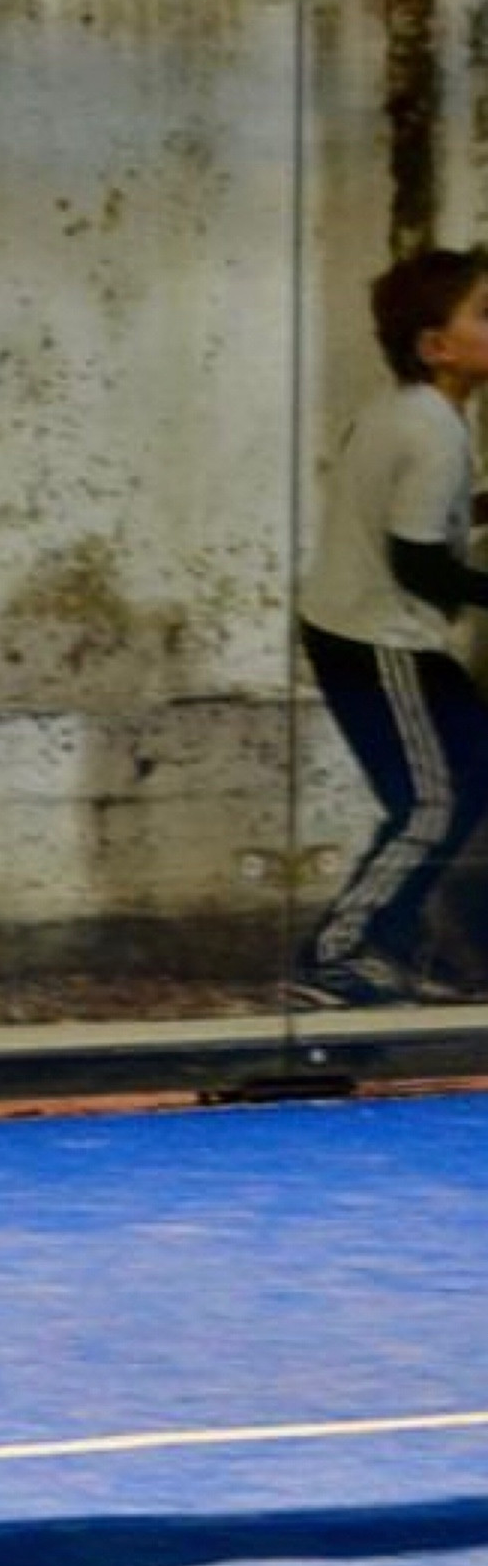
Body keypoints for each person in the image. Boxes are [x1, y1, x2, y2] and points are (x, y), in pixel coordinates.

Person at [294, 246, 488, 1008]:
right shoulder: (430, 431)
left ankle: (392, 943)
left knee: (468, 773)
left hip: (363, 629)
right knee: (432, 802)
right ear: (435, 346)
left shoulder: (409, 412)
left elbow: (422, 519)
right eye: (484, 314)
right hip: (379, 638)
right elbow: (420, 565)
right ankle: (334, 952)